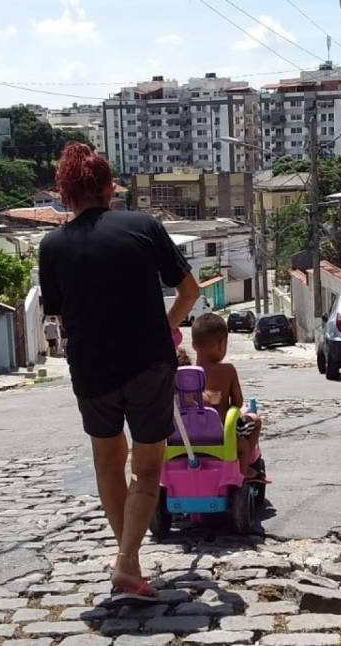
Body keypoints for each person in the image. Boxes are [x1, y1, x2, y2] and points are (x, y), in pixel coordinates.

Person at [39, 143, 199, 601]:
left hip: (90, 368)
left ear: (65, 192)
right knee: (146, 469)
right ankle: (127, 561)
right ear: (110, 187)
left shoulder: (52, 246)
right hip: (149, 362)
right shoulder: (144, 226)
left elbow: (62, 317)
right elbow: (188, 293)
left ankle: (126, 555)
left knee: (107, 462)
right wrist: (162, 327)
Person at [188, 314, 263, 478]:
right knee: (255, 423)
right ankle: (243, 471)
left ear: (194, 345)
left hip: (189, 435)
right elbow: (237, 402)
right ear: (221, 344)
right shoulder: (228, 370)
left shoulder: (187, 374)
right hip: (220, 435)